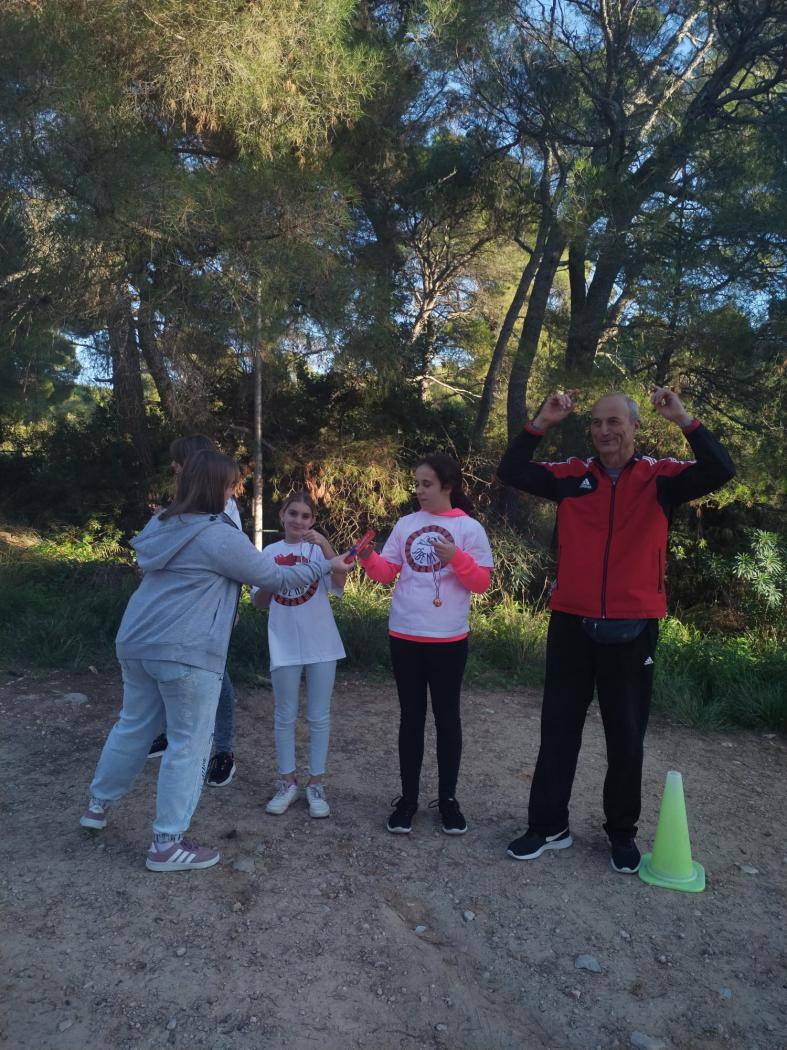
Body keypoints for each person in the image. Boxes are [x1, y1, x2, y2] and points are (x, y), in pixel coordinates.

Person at [497, 387, 735, 873]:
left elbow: (720, 469)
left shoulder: (661, 478)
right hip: (572, 620)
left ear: (634, 427)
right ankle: (548, 826)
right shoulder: (571, 476)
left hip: (634, 624)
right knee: (558, 729)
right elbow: (512, 470)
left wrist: (684, 418)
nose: (604, 431)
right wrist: (541, 422)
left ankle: (621, 833)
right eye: (597, 422)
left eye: (614, 422)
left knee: (625, 736)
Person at [79, 450, 351, 872]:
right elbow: (275, 578)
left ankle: (97, 806)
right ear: (214, 487)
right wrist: (326, 566)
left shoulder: (161, 523)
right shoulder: (218, 534)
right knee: (189, 742)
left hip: (136, 639)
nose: (232, 493)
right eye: (229, 485)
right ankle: (166, 844)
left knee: (132, 725)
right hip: (185, 649)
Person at [358, 454, 494, 835]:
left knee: (447, 719)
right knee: (411, 718)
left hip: (448, 639)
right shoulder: (406, 524)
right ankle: (408, 800)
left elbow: (481, 583)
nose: (418, 490)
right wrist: (367, 557)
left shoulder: (469, 529)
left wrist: (456, 557)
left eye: (426, 484)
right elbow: (386, 573)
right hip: (404, 635)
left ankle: (448, 800)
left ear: (447, 486)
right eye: (417, 483)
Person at [147, 434, 240, 788]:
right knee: (171, 669)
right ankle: (170, 732)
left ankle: (224, 751)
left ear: (196, 464)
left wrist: (232, 608)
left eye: (179, 460)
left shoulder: (224, 507)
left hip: (211, 612)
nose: (173, 466)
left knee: (218, 677)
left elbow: (238, 560)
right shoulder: (181, 503)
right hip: (179, 612)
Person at [252, 493, 347, 819]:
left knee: (319, 716)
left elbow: (339, 584)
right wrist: (274, 578)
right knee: (284, 715)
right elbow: (259, 602)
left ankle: (316, 784)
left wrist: (326, 546)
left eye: (306, 516)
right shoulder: (269, 553)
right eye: (293, 513)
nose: (299, 520)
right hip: (284, 642)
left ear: (313, 521)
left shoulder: (319, 550)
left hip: (322, 643)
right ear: (282, 515)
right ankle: (287, 782)